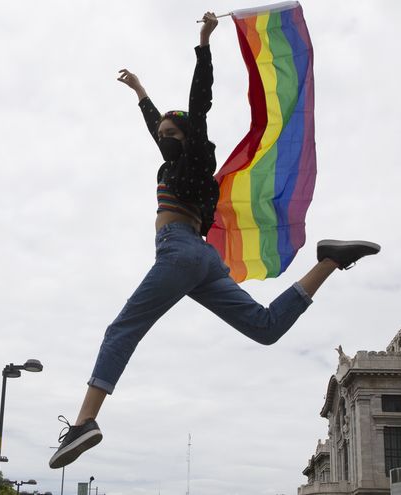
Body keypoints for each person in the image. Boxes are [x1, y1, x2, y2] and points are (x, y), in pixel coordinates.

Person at [49, 12, 380, 469]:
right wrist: (142, 93)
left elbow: (197, 103)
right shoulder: (180, 162)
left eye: (170, 134)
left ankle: (86, 421)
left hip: (181, 253)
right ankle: (328, 261)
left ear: (187, 138)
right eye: (161, 135)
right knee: (264, 328)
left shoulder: (193, 159)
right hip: (201, 260)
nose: (162, 139)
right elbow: (157, 126)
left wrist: (203, 43)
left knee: (121, 329)